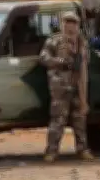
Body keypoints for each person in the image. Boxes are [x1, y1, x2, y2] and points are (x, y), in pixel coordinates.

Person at [39, 11, 93, 163]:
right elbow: (43, 58)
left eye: (73, 22)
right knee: (58, 120)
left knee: (80, 121)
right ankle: (52, 151)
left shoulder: (82, 42)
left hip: (78, 87)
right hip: (60, 87)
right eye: (67, 22)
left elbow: (85, 63)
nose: (70, 26)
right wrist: (60, 61)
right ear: (62, 24)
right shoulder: (54, 41)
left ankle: (83, 149)